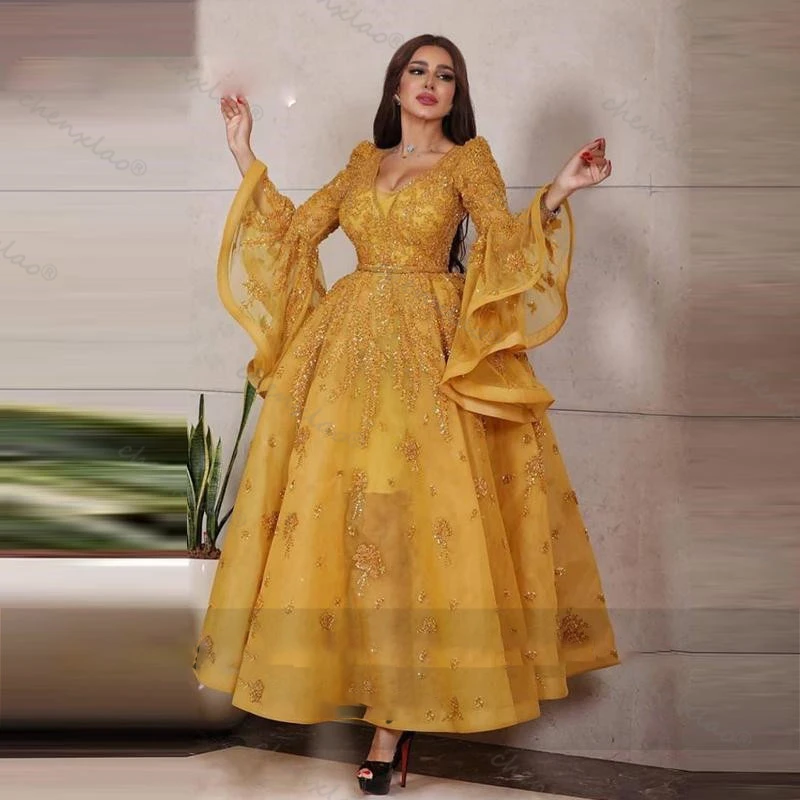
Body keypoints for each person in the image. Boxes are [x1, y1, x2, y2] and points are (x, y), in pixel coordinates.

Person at [193, 33, 619, 796]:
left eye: (445, 76)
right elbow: (295, 233)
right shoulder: (363, 162)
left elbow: (503, 244)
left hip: (430, 355)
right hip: (345, 356)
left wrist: (559, 191)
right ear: (395, 86)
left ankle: (392, 725)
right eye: (418, 71)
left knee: (415, 527)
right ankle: (368, 690)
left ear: (456, 95)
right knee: (351, 527)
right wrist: (242, 150)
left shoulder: (469, 162)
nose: (430, 83)